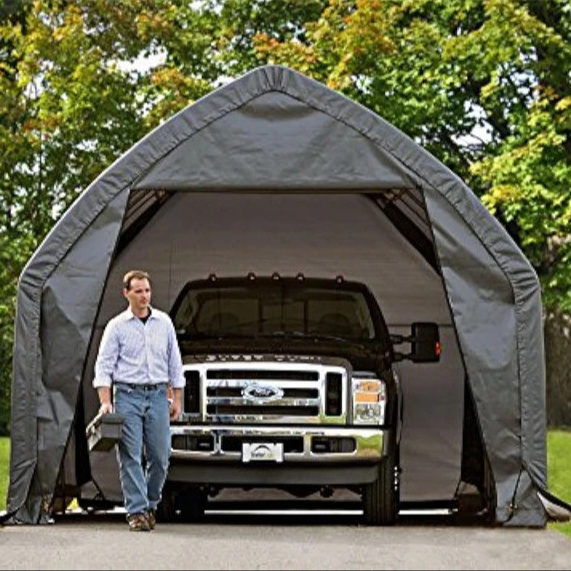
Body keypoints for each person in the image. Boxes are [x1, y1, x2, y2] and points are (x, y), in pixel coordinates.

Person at [93, 269, 185, 531]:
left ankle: (150, 504)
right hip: (127, 396)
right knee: (130, 455)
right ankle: (136, 512)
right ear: (126, 293)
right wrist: (105, 401)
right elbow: (104, 366)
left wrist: (176, 399)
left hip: (157, 395)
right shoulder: (116, 326)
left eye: (147, 290)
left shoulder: (164, 323)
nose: (144, 296)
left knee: (160, 456)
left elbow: (175, 363)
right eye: (138, 291)